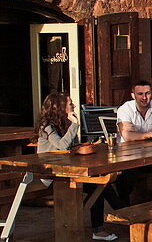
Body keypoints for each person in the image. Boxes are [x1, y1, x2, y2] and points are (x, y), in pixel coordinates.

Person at [37, 92, 122, 241]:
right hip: (50, 175)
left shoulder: (64, 123)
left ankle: (112, 221)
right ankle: (122, 213)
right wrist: (75, 125)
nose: (74, 106)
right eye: (70, 104)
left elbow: (72, 148)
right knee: (99, 185)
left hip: (66, 171)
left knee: (100, 183)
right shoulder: (47, 126)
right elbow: (62, 145)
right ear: (60, 107)